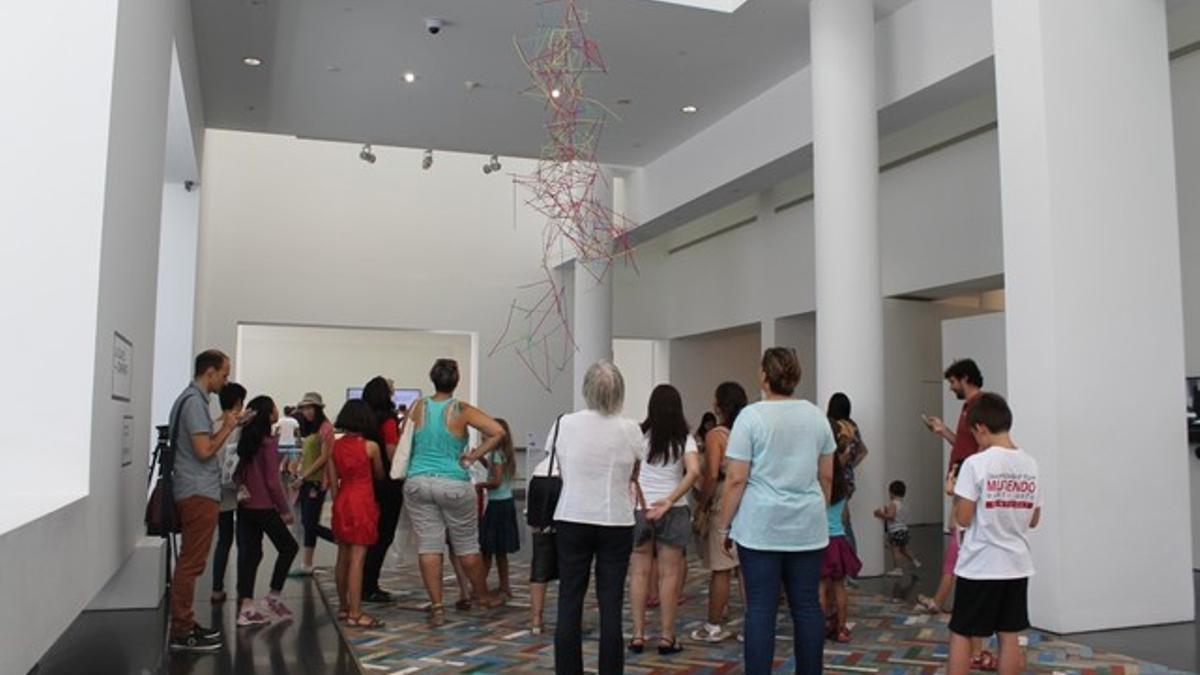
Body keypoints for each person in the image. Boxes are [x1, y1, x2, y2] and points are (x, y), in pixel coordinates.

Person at [716, 347, 834, 675]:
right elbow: (827, 474)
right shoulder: (815, 416)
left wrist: (725, 526)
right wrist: (816, 508)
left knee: (761, 611)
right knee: (807, 607)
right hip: (807, 528)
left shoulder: (751, 418)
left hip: (760, 528)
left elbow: (736, 479)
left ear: (765, 376)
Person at [552, 360, 644, 675]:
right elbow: (635, 473)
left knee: (569, 600)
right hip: (615, 520)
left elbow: (562, 470)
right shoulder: (630, 428)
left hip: (572, 515)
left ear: (586, 390)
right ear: (620, 391)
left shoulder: (564, 424)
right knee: (611, 605)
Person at [401, 358, 507, 626]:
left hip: (418, 481)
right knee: (467, 546)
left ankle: (437, 606)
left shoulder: (418, 406)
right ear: (456, 380)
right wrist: (472, 457)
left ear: (432, 378)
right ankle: (482, 597)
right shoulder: (461, 409)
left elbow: (406, 438)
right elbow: (497, 432)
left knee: (429, 545)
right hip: (453, 484)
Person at [948, 393, 1041, 675]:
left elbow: (963, 518)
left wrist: (955, 493)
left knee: (962, 632)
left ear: (981, 428)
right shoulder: (1030, 464)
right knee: (1009, 633)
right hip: (1016, 564)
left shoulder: (977, 464)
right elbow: (1034, 519)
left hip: (980, 564)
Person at [168, 349, 245, 652]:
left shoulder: (190, 401)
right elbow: (203, 451)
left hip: (195, 489)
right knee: (191, 563)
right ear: (209, 372)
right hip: (198, 491)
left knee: (191, 562)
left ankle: (185, 623)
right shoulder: (194, 403)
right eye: (224, 375)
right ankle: (182, 630)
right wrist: (227, 427)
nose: (225, 381)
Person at [629, 384, 701, 656]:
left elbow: (630, 470)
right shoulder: (685, 438)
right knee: (669, 575)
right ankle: (667, 637)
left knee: (638, 573)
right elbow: (694, 472)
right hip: (673, 510)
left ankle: (637, 635)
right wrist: (670, 499)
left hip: (641, 509)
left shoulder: (639, 435)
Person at [918, 360, 985, 627]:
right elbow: (967, 444)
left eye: (953, 382)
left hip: (967, 482)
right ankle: (940, 598)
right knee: (956, 537)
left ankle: (941, 599)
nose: (950, 388)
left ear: (964, 378)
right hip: (963, 480)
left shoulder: (977, 406)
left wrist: (967, 477)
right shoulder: (970, 407)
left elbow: (981, 445)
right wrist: (943, 431)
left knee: (958, 538)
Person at [233, 396, 300, 626]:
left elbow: (237, 473)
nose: (277, 409)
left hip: (245, 505)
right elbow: (272, 481)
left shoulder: (246, 440)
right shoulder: (268, 443)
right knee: (289, 547)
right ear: (268, 414)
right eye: (273, 406)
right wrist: (285, 509)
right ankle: (273, 596)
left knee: (250, 554)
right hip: (263, 506)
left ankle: (247, 607)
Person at [690, 381, 748, 644]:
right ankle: (752, 624)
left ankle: (713, 626)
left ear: (720, 405)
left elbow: (712, 474)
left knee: (721, 569)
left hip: (723, 503)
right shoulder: (747, 431)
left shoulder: (716, 436)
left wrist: (702, 503)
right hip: (748, 502)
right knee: (746, 568)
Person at [330, 399, 387, 628]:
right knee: (358, 558)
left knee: (342, 556)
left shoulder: (333, 446)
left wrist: (337, 503)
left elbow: (333, 483)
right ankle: (356, 612)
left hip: (343, 499)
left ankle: (344, 607)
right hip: (362, 500)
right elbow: (380, 475)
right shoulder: (370, 447)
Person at [362, 375, 404, 603]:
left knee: (366, 536)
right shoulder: (388, 421)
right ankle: (370, 585)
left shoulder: (364, 419)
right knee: (384, 534)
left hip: (365, 483)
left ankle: (360, 581)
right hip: (387, 485)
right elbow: (392, 454)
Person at [291, 392, 336, 575]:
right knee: (307, 522)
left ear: (317, 409)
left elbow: (326, 456)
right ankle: (307, 563)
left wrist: (304, 475)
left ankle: (340, 540)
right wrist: (297, 467)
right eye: (304, 408)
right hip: (306, 479)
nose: (307, 412)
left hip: (316, 481)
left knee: (309, 523)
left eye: (310, 408)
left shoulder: (326, 428)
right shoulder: (310, 429)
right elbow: (305, 451)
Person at [211, 382, 247, 602]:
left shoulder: (213, 425)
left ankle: (216, 588)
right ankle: (244, 591)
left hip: (214, 487)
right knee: (242, 541)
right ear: (238, 403)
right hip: (237, 489)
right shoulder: (239, 428)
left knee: (223, 541)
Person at [820, 451, 861, 643]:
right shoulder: (843, 490)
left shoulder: (819, 488)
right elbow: (845, 517)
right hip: (839, 540)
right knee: (839, 586)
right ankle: (842, 628)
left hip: (820, 540)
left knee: (819, 586)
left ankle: (818, 627)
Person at [477, 418, 520, 598]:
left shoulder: (496, 454)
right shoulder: (503, 453)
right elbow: (497, 472)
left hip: (497, 505)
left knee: (487, 549)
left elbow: (496, 481)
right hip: (506, 502)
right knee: (500, 550)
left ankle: (479, 587)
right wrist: (481, 459)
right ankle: (504, 586)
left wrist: (480, 485)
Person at [826, 392, 868, 554]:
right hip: (848, 479)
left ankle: (847, 565)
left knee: (839, 524)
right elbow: (863, 451)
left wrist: (839, 466)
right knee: (843, 520)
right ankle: (850, 565)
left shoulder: (835, 427)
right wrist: (850, 466)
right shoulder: (853, 427)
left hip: (836, 478)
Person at [874, 480, 920, 576]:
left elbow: (891, 516)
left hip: (896, 531)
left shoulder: (893, 504)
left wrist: (880, 514)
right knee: (904, 549)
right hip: (904, 530)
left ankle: (898, 569)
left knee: (895, 550)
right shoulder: (903, 504)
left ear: (891, 492)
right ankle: (915, 561)